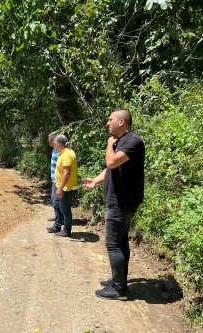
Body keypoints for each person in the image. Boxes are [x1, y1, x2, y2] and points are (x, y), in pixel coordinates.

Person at [82, 108, 145, 300]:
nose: (107, 123)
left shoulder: (133, 141)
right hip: (119, 202)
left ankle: (118, 289)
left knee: (112, 243)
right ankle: (119, 282)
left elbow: (111, 162)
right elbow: (111, 168)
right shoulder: (123, 142)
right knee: (120, 243)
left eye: (110, 120)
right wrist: (95, 180)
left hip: (122, 203)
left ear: (121, 122)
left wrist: (109, 145)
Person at [46, 134, 78, 237]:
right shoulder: (62, 153)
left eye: (54, 143)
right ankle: (57, 226)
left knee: (65, 209)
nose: (53, 145)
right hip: (61, 186)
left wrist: (59, 188)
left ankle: (67, 231)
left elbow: (66, 173)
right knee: (57, 205)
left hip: (66, 188)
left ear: (57, 143)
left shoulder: (67, 154)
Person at [47, 132, 61, 223]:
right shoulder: (54, 150)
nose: (49, 143)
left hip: (58, 180)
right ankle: (57, 216)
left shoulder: (60, 151)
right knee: (53, 199)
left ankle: (59, 219)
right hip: (54, 179)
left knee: (57, 200)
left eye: (50, 141)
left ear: (54, 140)